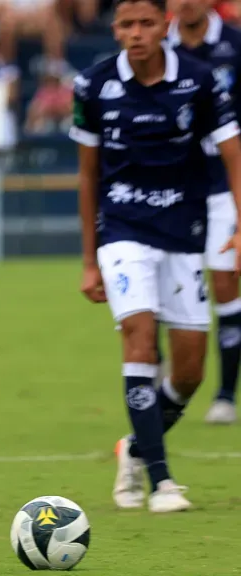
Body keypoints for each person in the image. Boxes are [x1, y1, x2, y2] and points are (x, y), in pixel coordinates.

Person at [71, 0, 241, 513]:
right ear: (116, 29)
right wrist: (89, 259)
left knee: (189, 372)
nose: (137, 33)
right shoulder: (94, 85)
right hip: (122, 231)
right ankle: (162, 481)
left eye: (147, 23)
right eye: (127, 24)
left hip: (184, 231)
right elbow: (86, 174)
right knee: (140, 339)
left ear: (165, 25)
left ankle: (136, 448)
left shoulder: (201, 80)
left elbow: (233, 151)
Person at [166, 0, 241, 425]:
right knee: (165, 283)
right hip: (173, 187)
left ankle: (226, 394)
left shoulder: (234, 44)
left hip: (224, 184)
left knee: (225, 278)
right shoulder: (158, 48)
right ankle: (158, 365)